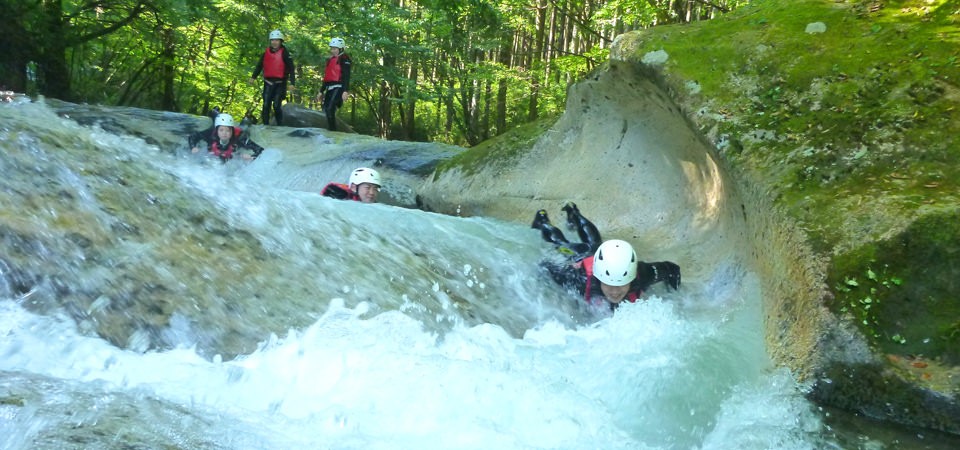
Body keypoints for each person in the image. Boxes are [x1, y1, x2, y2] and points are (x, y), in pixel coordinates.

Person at [533, 203, 681, 310]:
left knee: (595, 242)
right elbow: (544, 267)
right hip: (582, 258)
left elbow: (672, 269)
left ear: (631, 277)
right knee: (561, 244)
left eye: (621, 284)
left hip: (600, 254)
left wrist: (676, 297)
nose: (615, 292)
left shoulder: (643, 274)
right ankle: (543, 222)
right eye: (609, 284)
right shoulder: (579, 279)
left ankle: (574, 214)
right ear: (599, 278)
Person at [248, 29, 296, 126]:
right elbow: (259, 65)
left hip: (280, 84)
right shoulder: (266, 53)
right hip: (268, 83)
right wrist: (253, 77)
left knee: (276, 106)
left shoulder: (285, 53)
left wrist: (292, 83)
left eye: (277, 40)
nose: (274, 42)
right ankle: (265, 126)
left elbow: (291, 68)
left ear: (281, 41)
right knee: (266, 105)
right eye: (272, 40)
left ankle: (279, 125)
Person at [187, 112, 264, 162]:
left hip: (235, 144)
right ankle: (215, 111)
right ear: (217, 130)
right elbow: (193, 136)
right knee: (215, 116)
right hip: (218, 153)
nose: (224, 133)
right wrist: (193, 147)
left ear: (232, 131)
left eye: (228, 130)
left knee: (244, 127)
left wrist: (252, 157)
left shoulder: (239, 137)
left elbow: (260, 150)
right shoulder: (211, 133)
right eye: (221, 130)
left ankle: (247, 119)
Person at [317, 37, 352, 131]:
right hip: (330, 88)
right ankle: (332, 129)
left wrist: (345, 91)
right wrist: (321, 91)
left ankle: (332, 131)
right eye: (332, 48)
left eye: (335, 49)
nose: (332, 50)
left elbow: (346, 76)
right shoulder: (330, 60)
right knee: (326, 109)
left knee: (330, 109)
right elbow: (326, 77)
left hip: (339, 87)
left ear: (341, 49)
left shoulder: (345, 59)